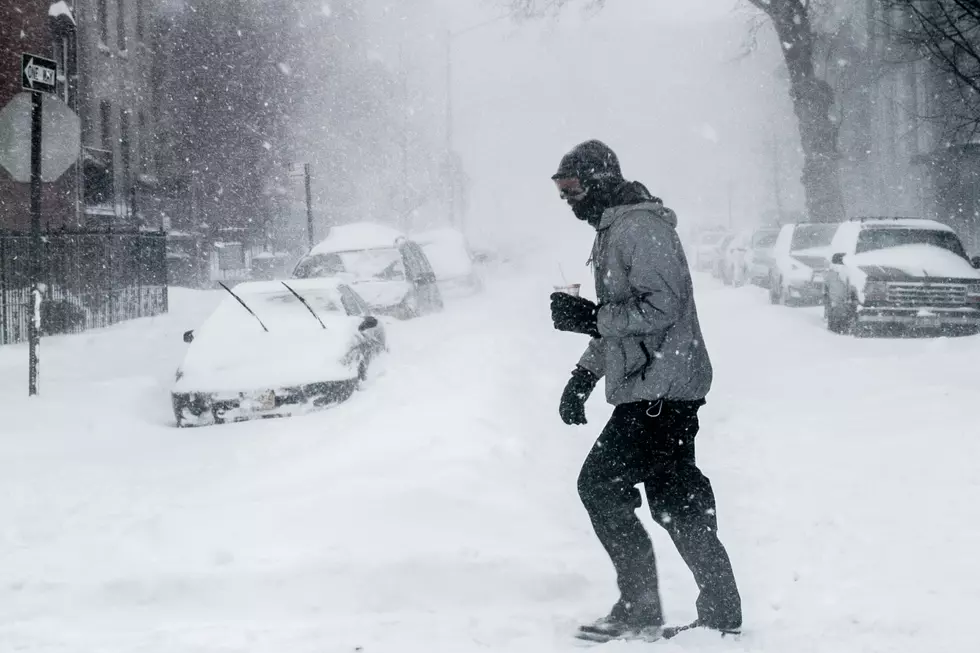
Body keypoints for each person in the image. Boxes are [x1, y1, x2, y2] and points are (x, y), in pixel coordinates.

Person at [548, 140, 742, 642]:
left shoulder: (640, 229)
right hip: (656, 388)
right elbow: (622, 323)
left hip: (661, 391)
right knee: (676, 499)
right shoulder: (615, 230)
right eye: (561, 191)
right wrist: (583, 376)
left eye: (572, 189)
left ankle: (640, 606)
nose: (567, 200)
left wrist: (591, 318)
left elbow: (662, 309)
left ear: (599, 182)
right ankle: (720, 611)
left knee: (599, 486)